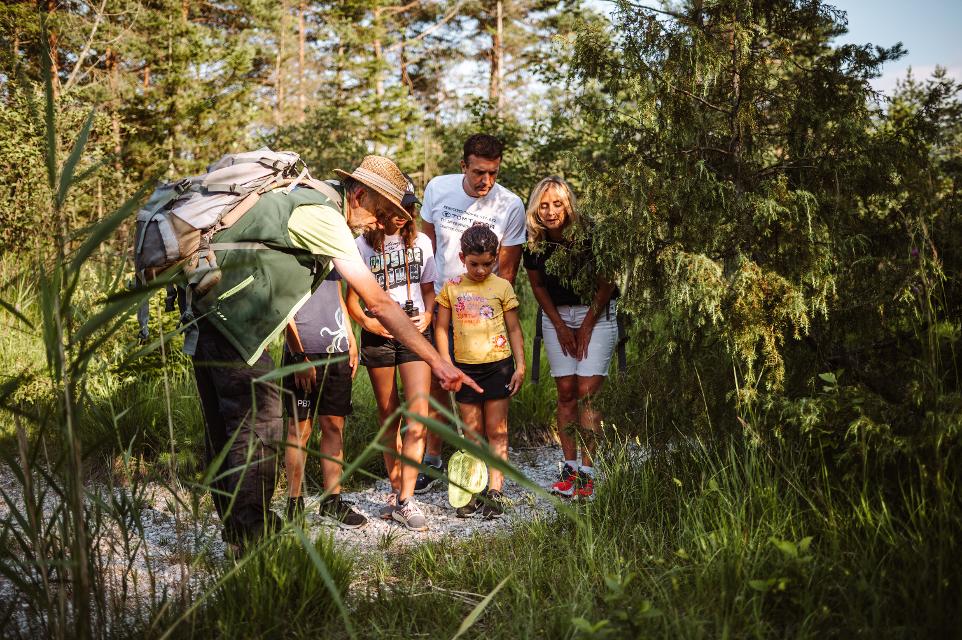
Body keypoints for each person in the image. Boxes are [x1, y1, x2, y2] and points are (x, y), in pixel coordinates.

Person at [191, 154, 479, 551]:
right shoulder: (325, 216)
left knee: (228, 427)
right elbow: (377, 302)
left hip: (210, 316)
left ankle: (237, 534)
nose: (381, 224)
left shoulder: (309, 199)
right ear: (359, 194)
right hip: (232, 323)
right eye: (380, 213)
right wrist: (437, 360)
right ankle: (250, 537)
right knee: (262, 422)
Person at [416, 134, 526, 492]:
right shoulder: (437, 189)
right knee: (435, 381)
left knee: (482, 405)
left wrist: (482, 318)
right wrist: (429, 303)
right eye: (479, 172)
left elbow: (506, 271)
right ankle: (432, 459)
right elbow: (425, 248)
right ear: (463, 165)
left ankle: (487, 479)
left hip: (481, 317)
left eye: (493, 173)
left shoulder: (510, 205)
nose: (486, 182)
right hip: (440, 304)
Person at [346, 178, 436, 531]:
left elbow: (430, 291)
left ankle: (407, 498)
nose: (403, 215)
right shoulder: (360, 244)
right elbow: (352, 301)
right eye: (396, 209)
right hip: (379, 336)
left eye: (408, 208)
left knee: (419, 415)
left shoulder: (422, 243)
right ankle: (396, 486)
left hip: (415, 333)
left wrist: (427, 316)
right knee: (389, 415)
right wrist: (368, 325)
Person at [522, 177, 618, 500]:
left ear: (568, 205)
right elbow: (537, 287)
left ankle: (587, 475)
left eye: (557, 204)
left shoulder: (589, 234)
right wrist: (561, 327)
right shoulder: (534, 242)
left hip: (597, 310)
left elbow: (607, 281)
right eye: (544, 205)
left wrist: (587, 323)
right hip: (557, 315)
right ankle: (569, 467)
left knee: (587, 391)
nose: (550, 212)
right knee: (565, 392)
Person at [435, 225, 525, 519]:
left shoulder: (502, 287)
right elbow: (440, 328)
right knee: (472, 434)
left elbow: (513, 328)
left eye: (488, 263)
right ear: (462, 257)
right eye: (474, 263)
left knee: (497, 431)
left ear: (496, 258)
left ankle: (495, 492)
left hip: (499, 366)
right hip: (465, 370)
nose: (481, 270)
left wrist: (521, 366)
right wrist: (446, 364)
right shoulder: (452, 287)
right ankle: (474, 489)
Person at [282, 268, 366, 528]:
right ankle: (294, 504)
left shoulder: (331, 254)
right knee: (300, 431)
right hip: (303, 356)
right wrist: (297, 356)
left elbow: (337, 296)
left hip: (337, 351)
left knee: (334, 427)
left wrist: (351, 338)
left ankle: (332, 503)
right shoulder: (291, 255)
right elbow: (282, 309)